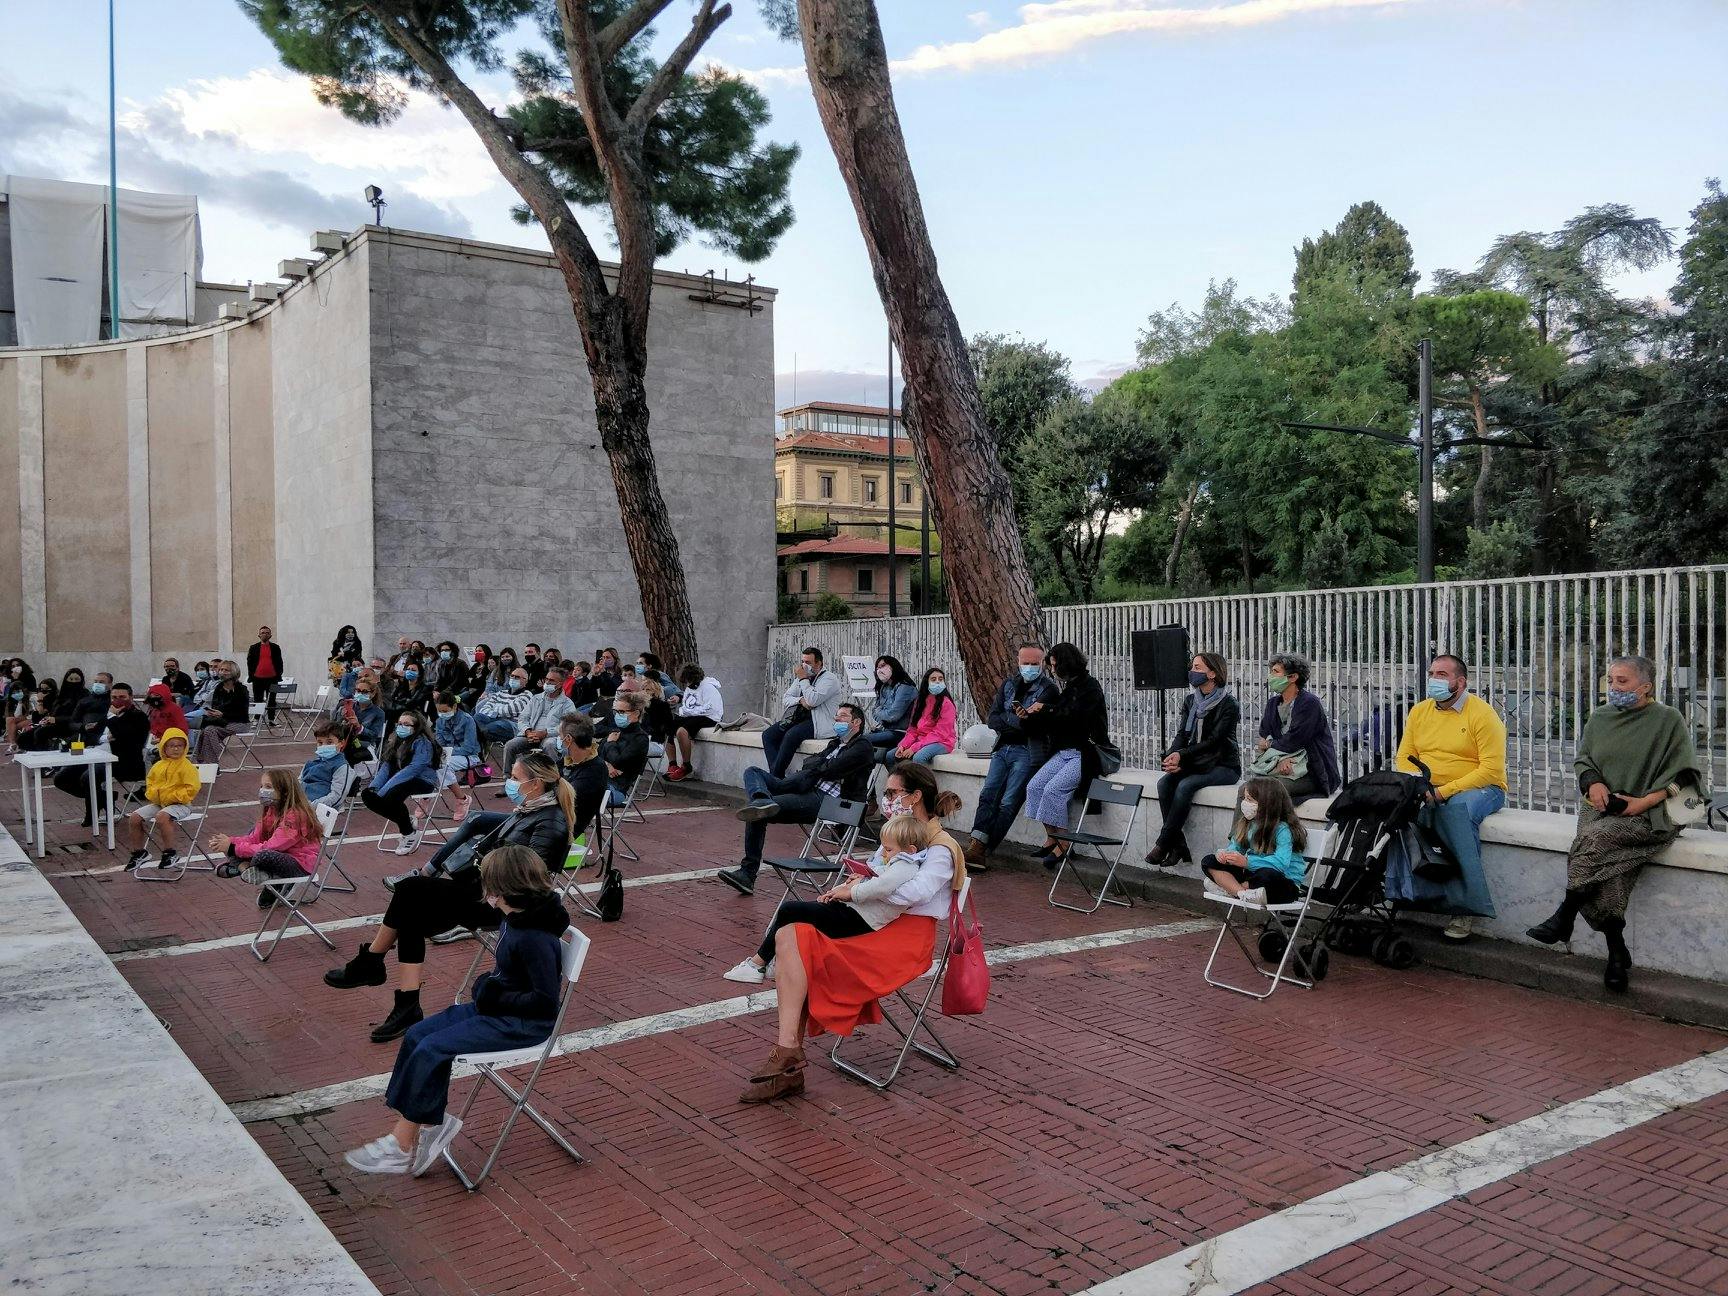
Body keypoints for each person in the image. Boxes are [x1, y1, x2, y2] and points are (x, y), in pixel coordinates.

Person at [739, 762, 965, 1103]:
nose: (886, 799)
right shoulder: (898, 832)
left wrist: (860, 888)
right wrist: (863, 881)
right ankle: (787, 1054)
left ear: (915, 796)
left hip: (902, 939)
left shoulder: (941, 847)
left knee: (797, 941)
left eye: (891, 793)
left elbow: (911, 895)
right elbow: (877, 873)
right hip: (870, 920)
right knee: (789, 936)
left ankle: (787, 1065)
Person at [341, 845, 571, 1176]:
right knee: (418, 1034)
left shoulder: (533, 936)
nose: (483, 889)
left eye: (486, 882)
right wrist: (490, 987)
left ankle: (400, 1143)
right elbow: (509, 977)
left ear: (503, 888)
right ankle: (431, 1122)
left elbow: (546, 1002)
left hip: (523, 1023)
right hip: (498, 1007)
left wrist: (493, 994)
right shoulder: (517, 918)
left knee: (434, 1048)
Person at [324, 751, 574, 1042]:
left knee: (409, 891)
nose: (508, 783)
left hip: (503, 905)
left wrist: (486, 865)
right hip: (484, 889)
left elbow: (527, 877)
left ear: (535, 783)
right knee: (410, 915)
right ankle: (403, 1001)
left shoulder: (551, 821)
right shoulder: (529, 809)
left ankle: (373, 965)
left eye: (515, 778)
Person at [1526, 656, 1702, 992]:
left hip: (1651, 812)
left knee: (1590, 843)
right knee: (1609, 876)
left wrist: (1644, 801)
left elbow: (1684, 774)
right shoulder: (1601, 717)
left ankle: (1565, 914)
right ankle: (1616, 953)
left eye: (1622, 681)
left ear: (1646, 687)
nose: (1614, 687)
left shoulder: (1667, 720)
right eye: (1611, 680)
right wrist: (1593, 783)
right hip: (1602, 806)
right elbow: (1584, 760)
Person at [724, 811, 937, 985]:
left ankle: (757, 964)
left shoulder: (905, 865)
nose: (885, 854)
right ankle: (767, 961)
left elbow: (881, 887)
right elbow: (877, 878)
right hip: (856, 914)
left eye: (889, 849)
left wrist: (850, 892)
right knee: (795, 914)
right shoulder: (898, 862)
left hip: (860, 920)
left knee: (790, 910)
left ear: (909, 850)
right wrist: (847, 887)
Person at [1389, 654, 1507, 940]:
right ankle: (1403, 891)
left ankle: (1464, 909)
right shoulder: (1419, 711)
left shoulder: (1482, 714)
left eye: (1442, 674)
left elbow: (1490, 769)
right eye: (1432, 673)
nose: (1434, 679)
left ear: (1460, 681)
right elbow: (1405, 757)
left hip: (1481, 788)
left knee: (1458, 814)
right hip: (1429, 786)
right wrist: (1419, 787)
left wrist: (1443, 792)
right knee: (1394, 812)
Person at [718, 702, 875, 896]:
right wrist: (821, 766)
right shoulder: (835, 743)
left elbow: (831, 768)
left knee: (756, 815)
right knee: (753, 773)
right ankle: (760, 798)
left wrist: (820, 766)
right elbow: (811, 763)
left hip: (828, 801)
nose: (837, 720)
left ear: (856, 722)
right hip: (804, 787)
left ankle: (748, 872)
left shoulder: (863, 746)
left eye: (842, 716)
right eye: (836, 717)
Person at [962, 643, 1058, 871]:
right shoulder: (1009, 685)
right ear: (1018, 662)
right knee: (988, 795)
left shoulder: (1048, 689)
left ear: (1042, 664)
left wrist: (1011, 721)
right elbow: (992, 718)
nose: (1030, 668)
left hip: (1026, 751)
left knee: (1008, 802)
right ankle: (977, 843)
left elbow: (1033, 728)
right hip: (1002, 748)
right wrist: (1015, 720)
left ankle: (984, 848)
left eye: (1035, 664)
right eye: (1026, 663)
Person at [1020, 642, 1112, 869]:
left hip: (1084, 753)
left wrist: (1047, 710)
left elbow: (1074, 717)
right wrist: (1032, 715)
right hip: (1064, 752)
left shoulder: (1090, 687)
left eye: (1054, 665)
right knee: (1035, 786)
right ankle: (1051, 836)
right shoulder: (1070, 687)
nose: (1052, 670)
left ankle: (1063, 842)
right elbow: (1058, 718)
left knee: (1054, 790)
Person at [1145, 653, 1242, 867]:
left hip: (1223, 765)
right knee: (1165, 783)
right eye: (1192, 667)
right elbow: (1182, 734)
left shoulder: (1229, 704)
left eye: (1198, 668)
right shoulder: (1191, 700)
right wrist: (1172, 755)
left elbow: (1213, 741)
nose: (1192, 672)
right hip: (1196, 762)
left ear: (1213, 673)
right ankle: (1179, 846)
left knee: (1186, 785)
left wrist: (1182, 756)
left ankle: (1162, 844)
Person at [211, 769, 325, 911]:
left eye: (268, 787)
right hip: (280, 855)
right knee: (239, 843)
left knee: (261, 855)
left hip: (299, 864)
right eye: (262, 786)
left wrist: (232, 848)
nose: (262, 791)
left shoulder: (295, 814)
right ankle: (249, 870)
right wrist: (229, 841)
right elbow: (253, 838)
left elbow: (272, 847)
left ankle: (244, 868)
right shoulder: (271, 809)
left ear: (284, 791)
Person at [1200, 777, 1309, 906]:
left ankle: (1230, 888)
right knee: (1209, 861)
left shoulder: (1283, 829)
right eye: (1245, 798)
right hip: (1253, 877)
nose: (1245, 803)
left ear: (1267, 804)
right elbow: (1236, 847)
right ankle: (1242, 893)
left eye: (1250, 800)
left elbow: (1281, 864)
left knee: (1266, 875)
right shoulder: (1248, 824)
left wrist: (1247, 862)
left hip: (1282, 883)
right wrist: (1226, 855)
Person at [55, 682, 149, 826]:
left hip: (123, 761)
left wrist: (112, 719)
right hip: (95, 754)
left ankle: (91, 814)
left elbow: (126, 737)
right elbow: (92, 732)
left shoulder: (138, 717)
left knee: (88, 777)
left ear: (131, 697)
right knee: (62, 778)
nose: (118, 700)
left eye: (122, 697)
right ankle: (105, 798)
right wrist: (104, 736)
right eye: (114, 697)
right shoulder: (108, 713)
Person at [1250, 653, 1340, 802]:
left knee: (1267, 792)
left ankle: (1271, 826)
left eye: (1276, 672)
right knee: (1246, 790)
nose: (1271, 676)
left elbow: (1295, 741)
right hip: (1279, 768)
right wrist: (1279, 758)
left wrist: (1274, 748)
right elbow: (1263, 739)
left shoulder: (1309, 704)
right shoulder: (1273, 704)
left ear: (1292, 677)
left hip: (1311, 772)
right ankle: (1241, 827)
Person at [362, 711, 443, 854]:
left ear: (417, 727)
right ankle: (407, 822)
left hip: (422, 780)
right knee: (368, 795)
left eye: (406, 724)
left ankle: (409, 833)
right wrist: (374, 788)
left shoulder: (423, 743)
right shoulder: (397, 741)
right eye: (400, 724)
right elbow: (386, 767)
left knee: (392, 795)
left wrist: (385, 789)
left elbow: (413, 769)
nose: (401, 727)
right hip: (401, 779)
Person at [122, 727, 199, 871]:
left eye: (180, 746)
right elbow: (150, 784)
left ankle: (170, 853)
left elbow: (192, 788)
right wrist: (154, 795)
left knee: (162, 817)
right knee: (134, 817)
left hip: (181, 804)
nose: (176, 749)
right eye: (172, 746)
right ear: (164, 747)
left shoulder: (187, 767)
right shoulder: (158, 766)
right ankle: (139, 852)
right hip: (160, 803)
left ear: (185, 747)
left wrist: (171, 796)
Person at [762, 646, 842, 778]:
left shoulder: (829, 679)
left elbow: (812, 701)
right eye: (803, 662)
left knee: (791, 736)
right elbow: (786, 698)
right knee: (768, 735)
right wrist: (800, 700)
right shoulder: (802, 677)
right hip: (797, 718)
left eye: (808, 662)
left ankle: (775, 778)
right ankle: (777, 776)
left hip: (819, 723)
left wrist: (803, 680)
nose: (804, 665)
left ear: (819, 663)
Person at [502, 666, 575, 773]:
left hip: (552, 737)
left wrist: (545, 733)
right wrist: (528, 732)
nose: (547, 682)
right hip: (530, 735)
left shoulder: (567, 704)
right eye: (547, 679)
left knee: (549, 745)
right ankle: (508, 776)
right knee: (510, 745)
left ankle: (555, 777)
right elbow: (523, 718)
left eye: (551, 680)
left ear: (560, 684)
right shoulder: (536, 698)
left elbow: (566, 726)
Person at [880, 667, 957, 765]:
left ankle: (924, 780)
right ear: (927, 682)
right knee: (891, 756)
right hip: (920, 740)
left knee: (919, 757)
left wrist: (914, 748)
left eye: (940, 679)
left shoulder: (947, 704)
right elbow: (913, 729)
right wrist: (903, 746)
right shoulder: (920, 702)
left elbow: (940, 733)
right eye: (933, 679)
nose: (937, 682)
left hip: (942, 742)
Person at [592, 691, 651, 805]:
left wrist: (610, 744)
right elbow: (595, 756)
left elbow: (618, 760)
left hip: (616, 789)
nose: (617, 715)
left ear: (636, 713)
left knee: (579, 792)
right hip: (600, 781)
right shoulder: (615, 733)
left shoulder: (640, 739)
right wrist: (607, 765)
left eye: (622, 712)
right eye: (616, 712)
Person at [667, 664, 724, 781]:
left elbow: (711, 708)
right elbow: (687, 705)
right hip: (693, 715)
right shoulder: (690, 688)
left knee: (682, 731)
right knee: (669, 727)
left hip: (709, 717)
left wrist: (689, 712)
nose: (687, 685)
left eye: (688, 681)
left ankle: (686, 765)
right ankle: (672, 763)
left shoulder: (708, 688)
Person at [434, 691, 482, 823]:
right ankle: (425, 798)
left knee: (442, 765)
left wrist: (447, 753)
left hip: (469, 756)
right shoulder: (439, 721)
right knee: (430, 763)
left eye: (445, 710)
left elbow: (469, 747)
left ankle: (462, 799)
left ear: (454, 707)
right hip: (448, 755)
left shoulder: (467, 720)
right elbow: (439, 742)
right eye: (440, 711)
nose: (442, 714)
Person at [195, 663, 253, 764]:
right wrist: (212, 712)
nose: (222, 672)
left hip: (240, 723)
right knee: (206, 730)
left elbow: (242, 713)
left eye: (226, 670)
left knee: (209, 730)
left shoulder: (241, 690)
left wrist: (223, 714)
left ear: (234, 673)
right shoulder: (219, 688)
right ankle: (209, 763)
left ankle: (210, 764)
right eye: (221, 670)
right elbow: (215, 706)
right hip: (221, 722)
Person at [301, 718, 359, 808]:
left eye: (329, 742)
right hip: (300, 804)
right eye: (320, 742)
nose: (324, 746)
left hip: (317, 810)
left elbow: (336, 796)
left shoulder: (341, 767)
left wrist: (310, 806)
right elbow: (297, 784)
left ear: (341, 743)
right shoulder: (311, 763)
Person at [863, 656, 917, 751]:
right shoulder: (884, 687)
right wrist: (883, 714)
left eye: (883, 666)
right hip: (886, 730)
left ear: (893, 666)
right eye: (877, 668)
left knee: (861, 740)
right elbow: (874, 713)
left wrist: (880, 711)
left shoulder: (905, 688)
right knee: (854, 740)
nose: (879, 670)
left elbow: (893, 715)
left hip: (902, 733)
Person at [475, 665, 534, 744]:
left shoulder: (527, 694)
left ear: (525, 681)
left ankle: (480, 741)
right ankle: (482, 737)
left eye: (517, 677)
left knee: (489, 727)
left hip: (512, 725)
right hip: (495, 720)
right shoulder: (500, 693)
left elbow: (510, 710)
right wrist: (500, 711)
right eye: (512, 676)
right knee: (477, 717)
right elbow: (483, 709)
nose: (513, 678)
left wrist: (494, 709)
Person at [247, 625, 285, 722]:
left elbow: (279, 662)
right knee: (257, 699)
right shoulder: (253, 647)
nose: (265, 634)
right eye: (263, 633)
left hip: (272, 678)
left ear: (270, 635)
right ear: (259, 635)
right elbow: (250, 663)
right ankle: (256, 718)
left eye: (267, 633)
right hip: (257, 678)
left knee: (271, 700)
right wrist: (252, 675)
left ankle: (271, 719)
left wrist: (278, 673)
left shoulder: (275, 647)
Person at [142, 683, 188, 748]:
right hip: (154, 739)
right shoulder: (155, 709)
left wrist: (162, 739)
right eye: (151, 696)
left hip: (169, 742)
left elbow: (182, 730)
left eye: (157, 695)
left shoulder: (174, 709)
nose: (153, 698)